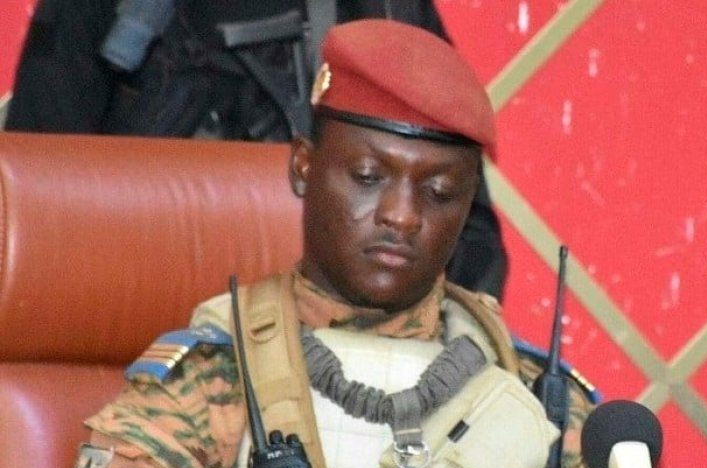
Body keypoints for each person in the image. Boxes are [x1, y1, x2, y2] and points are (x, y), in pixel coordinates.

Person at [58, 19, 628, 468]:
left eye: (439, 192)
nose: (401, 216)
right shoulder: (207, 382)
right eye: (367, 177)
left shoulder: (536, 402)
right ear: (304, 166)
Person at [5, 0, 507, 299]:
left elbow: (467, 240)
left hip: (328, 357)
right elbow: (33, 212)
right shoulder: (105, 12)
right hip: (134, 348)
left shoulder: (382, 7)